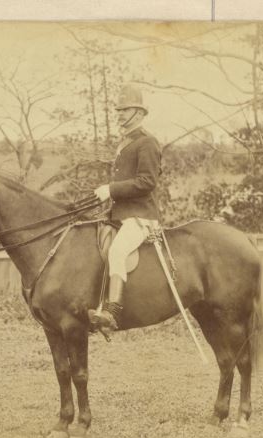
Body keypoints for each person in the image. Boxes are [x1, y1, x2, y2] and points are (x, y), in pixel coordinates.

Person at [88, 83, 162, 336]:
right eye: (118, 109)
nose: (119, 114)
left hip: (142, 216)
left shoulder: (148, 143)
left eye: (125, 109)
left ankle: (112, 312)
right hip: (120, 216)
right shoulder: (126, 143)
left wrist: (112, 189)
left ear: (140, 113)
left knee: (118, 251)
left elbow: (147, 182)